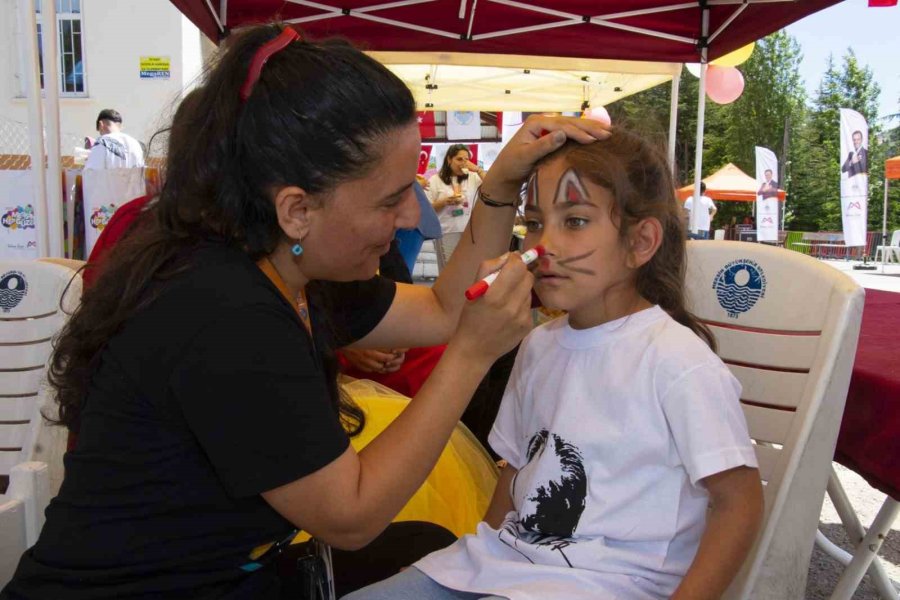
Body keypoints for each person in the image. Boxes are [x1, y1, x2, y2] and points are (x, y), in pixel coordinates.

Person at [1, 24, 608, 600]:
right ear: (297, 210)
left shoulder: (290, 269)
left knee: (426, 545)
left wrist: (498, 186)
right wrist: (472, 355)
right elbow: (351, 516)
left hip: (232, 575)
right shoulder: (224, 314)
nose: (409, 217)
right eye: (391, 199)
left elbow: (444, 309)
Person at [347, 128, 763, 600]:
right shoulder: (537, 344)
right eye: (535, 222)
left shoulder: (679, 362)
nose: (543, 245)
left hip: (605, 586)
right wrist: (476, 563)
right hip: (508, 568)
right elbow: (515, 472)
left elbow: (739, 503)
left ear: (640, 242)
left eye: (576, 221)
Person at [427, 144, 486, 262]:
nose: (463, 163)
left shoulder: (472, 177)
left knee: (468, 265)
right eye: (459, 159)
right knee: (449, 267)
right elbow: (427, 210)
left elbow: (493, 185)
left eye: (466, 160)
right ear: (449, 159)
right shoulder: (435, 180)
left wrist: (478, 170)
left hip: (469, 232)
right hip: (447, 231)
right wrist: (444, 202)